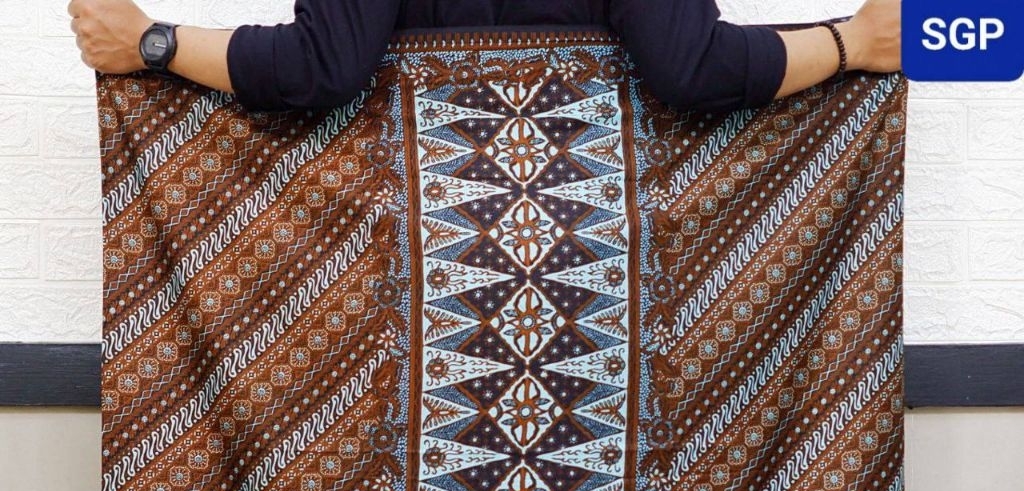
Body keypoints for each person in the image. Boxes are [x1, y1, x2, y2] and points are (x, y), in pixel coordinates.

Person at [69, 0, 902, 115]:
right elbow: (698, 69)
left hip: (410, 297)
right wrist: (854, 42)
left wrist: (152, 43)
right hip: (595, 293)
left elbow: (320, 68)